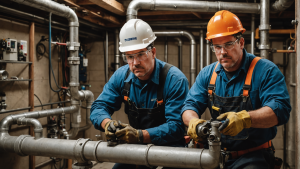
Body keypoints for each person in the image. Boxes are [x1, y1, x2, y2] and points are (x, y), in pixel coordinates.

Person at [182, 10, 291, 168]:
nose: (222, 52)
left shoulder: (265, 71)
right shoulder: (208, 74)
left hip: (254, 157)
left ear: (240, 43)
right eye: (217, 47)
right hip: (215, 155)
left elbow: (280, 110)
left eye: (228, 44)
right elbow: (189, 106)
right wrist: (193, 122)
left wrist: (245, 119)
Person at [90, 19, 189, 169]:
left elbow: (176, 127)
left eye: (140, 54)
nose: (135, 62)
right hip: (137, 146)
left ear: (153, 52)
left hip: (171, 147)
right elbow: (99, 106)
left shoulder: (174, 79)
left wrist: (139, 135)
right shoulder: (121, 76)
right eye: (129, 56)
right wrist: (107, 124)